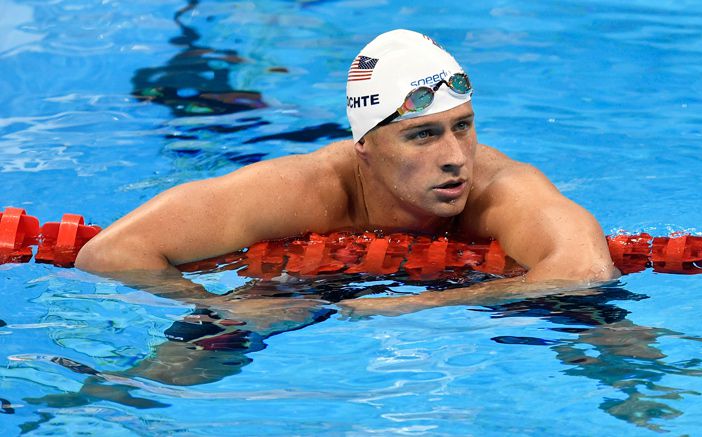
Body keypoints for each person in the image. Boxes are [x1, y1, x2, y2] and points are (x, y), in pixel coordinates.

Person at [75, 29, 617, 313]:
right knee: (215, 337)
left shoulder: (501, 188)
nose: (456, 156)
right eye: (422, 134)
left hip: (439, 292)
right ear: (365, 145)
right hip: (295, 286)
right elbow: (110, 253)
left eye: (464, 126)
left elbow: (584, 271)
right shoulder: (299, 189)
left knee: (598, 324)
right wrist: (217, 307)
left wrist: (426, 305)